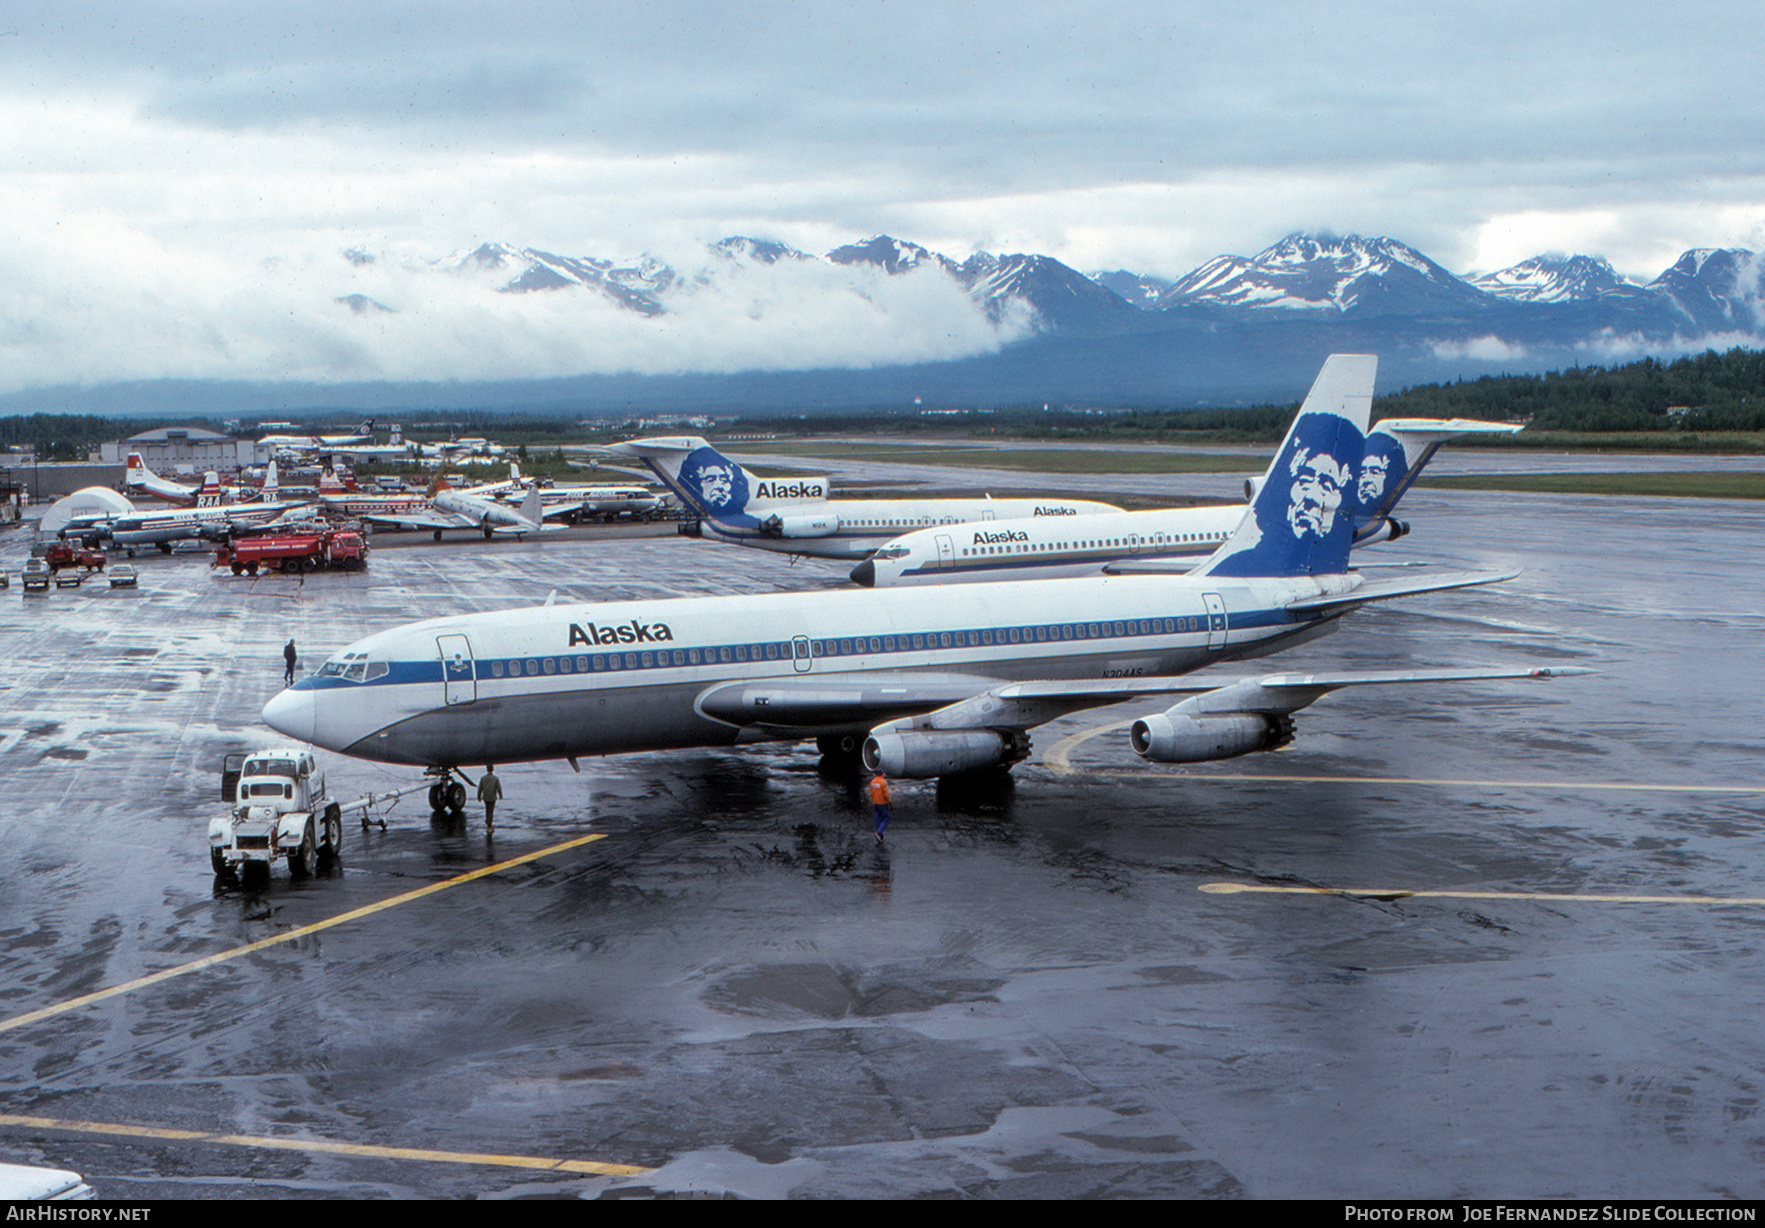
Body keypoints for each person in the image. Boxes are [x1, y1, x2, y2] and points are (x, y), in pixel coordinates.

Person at [868, 772, 891, 843]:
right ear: (882, 774)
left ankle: (881, 837)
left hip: (875, 803)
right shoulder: (883, 782)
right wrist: (890, 802)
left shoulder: (872, 782)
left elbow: (871, 793)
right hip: (883, 803)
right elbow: (886, 794)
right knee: (886, 818)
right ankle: (879, 833)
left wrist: (874, 800)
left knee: (878, 818)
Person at [478, 764, 503, 830]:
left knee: (487, 809)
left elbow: (480, 788)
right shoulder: (495, 778)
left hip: (485, 797)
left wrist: (479, 796)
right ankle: (489, 825)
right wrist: (500, 795)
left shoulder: (483, 778)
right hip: (492, 797)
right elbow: (498, 788)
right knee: (491, 811)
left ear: (487, 769)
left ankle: (487, 820)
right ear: (493, 769)